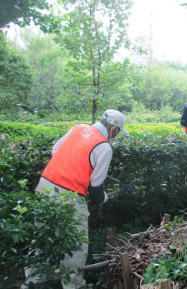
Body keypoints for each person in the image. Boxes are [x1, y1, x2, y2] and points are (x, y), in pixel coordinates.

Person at [24, 109, 128, 289]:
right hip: (69, 197)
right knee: (75, 244)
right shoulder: (104, 147)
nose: (117, 136)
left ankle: (34, 282)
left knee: (41, 236)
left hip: (45, 186)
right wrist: (103, 199)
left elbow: (55, 150)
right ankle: (73, 285)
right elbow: (95, 190)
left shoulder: (79, 128)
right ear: (113, 128)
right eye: (118, 132)